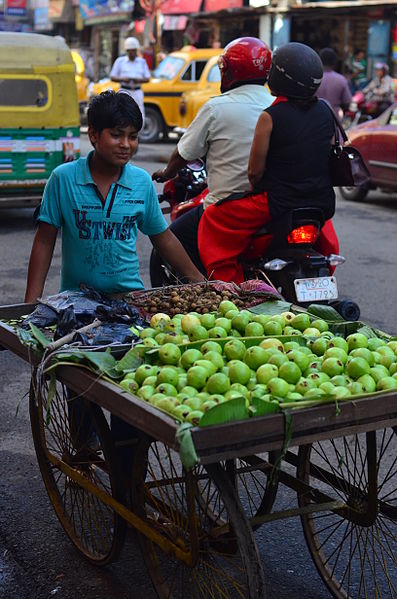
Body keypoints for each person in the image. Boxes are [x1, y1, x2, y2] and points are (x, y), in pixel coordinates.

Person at [25, 90, 203, 304]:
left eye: (133, 136)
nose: (126, 144)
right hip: (75, 300)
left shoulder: (141, 182)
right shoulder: (63, 179)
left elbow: (164, 239)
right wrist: (29, 305)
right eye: (117, 135)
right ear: (93, 135)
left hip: (130, 300)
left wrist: (198, 280)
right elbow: (44, 241)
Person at [198, 42, 338, 284]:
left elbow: (254, 172)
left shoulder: (270, 117)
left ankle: (231, 286)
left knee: (213, 218)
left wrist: (254, 188)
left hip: (277, 202)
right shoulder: (326, 111)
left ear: (280, 78)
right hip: (322, 201)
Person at [152, 37, 274, 271]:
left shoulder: (217, 108)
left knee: (173, 238)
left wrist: (167, 172)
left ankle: (204, 286)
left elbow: (182, 153)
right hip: (272, 204)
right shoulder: (276, 105)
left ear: (227, 70)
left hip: (228, 206)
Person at [110, 37, 151, 122]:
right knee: (123, 113)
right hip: (124, 90)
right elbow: (112, 76)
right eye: (130, 51)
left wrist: (138, 80)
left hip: (137, 91)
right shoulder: (120, 61)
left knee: (139, 113)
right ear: (127, 51)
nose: (132, 53)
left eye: (133, 50)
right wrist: (123, 79)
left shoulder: (142, 62)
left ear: (136, 50)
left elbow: (147, 78)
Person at [315, 47, 352, 117]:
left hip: (315, 117)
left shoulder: (313, 78)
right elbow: (348, 102)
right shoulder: (341, 80)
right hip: (334, 117)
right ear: (334, 62)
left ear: (319, 60)